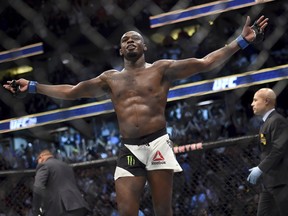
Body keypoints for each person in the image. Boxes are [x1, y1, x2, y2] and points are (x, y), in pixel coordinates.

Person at [4, 15, 268, 216]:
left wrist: (241, 41)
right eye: (124, 40)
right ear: (121, 51)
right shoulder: (110, 78)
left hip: (157, 144)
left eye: (134, 38)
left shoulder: (162, 69)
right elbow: (73, 91)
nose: (129, 40)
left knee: (163, 211)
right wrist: (34, 87)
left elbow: (206, 62)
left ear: (144, 47)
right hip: (129, 148)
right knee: (126, 212)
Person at [247, 88, 288, 216]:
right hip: (269, 182)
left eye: (255, 100)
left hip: (281, 181)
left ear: (266, 101)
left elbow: (278, 149)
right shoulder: (267, 122)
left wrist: (260, 168)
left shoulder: (277, 120)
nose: (252, 104)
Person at [32, 149, 90, 216]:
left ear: (41, 157)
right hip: (79, 204)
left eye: (37, 161)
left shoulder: (44, 165)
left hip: (62, 208)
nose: (38, 163)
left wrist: (36, 210)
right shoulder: (66, 166)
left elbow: (38, 187)